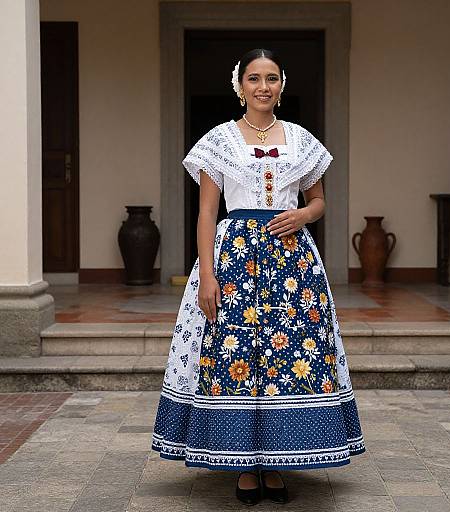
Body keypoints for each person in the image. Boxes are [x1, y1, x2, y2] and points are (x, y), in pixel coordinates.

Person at [151, 48, 366, 506]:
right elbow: (206, 214)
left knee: (290, 358)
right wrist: (207, 276)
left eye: (271, 78)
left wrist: (304, 213)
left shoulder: (303, 141)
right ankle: (244, 466)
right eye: (254, 78)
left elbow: (320, 201)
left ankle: (277, 462)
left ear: (282, 85)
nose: (262, 87)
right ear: (240, 85)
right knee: (237, 356)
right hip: (233, 262)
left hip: (293, 265)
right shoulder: (218, 141)